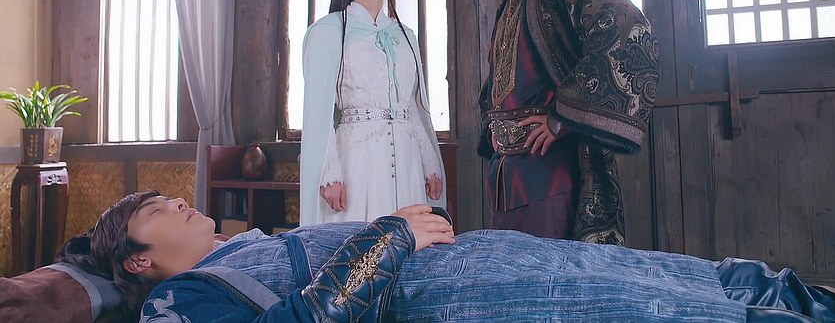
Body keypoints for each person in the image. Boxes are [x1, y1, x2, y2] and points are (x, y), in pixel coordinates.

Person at [58, 191, 834, 322]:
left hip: (478, 256)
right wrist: (392, 234)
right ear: (138, 260)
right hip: (452, 299)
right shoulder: (178, 303)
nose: (178, 201)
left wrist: (415, 224)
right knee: (665, 308)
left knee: (676, 272)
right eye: (156, 209)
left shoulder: (247, 243)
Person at [476, 0, 659, 242]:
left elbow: (626, 26)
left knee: (550, 274)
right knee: (507, 274)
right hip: (507, 175)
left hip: (550, 174)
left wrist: (562, 117)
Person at [300, 0, 446, 225]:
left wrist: (429, 162)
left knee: (410, 237)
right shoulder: (328, 32)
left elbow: (413, 105)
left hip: (406, 159)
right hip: (357, 159)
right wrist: (329, 172)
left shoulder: (405, 35)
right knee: (361, 239)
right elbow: (318, 112)